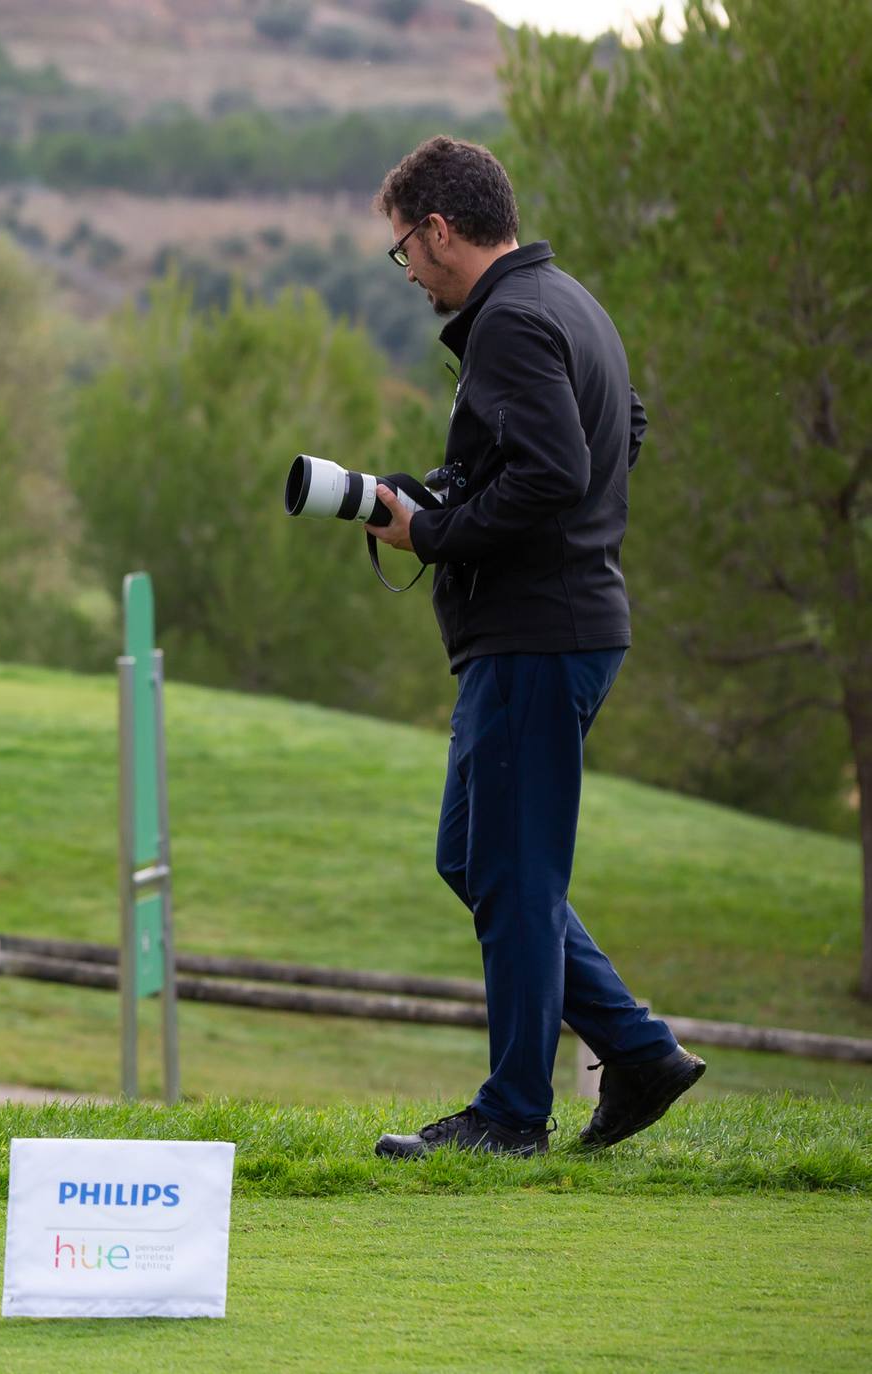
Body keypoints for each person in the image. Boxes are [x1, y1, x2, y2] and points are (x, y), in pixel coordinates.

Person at [362, 136, 703, 1160]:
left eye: (405, 253)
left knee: (510, 870)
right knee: (479, 859)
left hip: (536, 637)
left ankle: (512, 1114)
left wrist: (433, 531)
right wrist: (465, 490)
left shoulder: (509, 321)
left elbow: (555, 473)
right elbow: (618, 432)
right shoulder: (570, 304)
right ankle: (638, 1053)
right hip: (564, 628)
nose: (411, 274)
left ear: (439, 229)